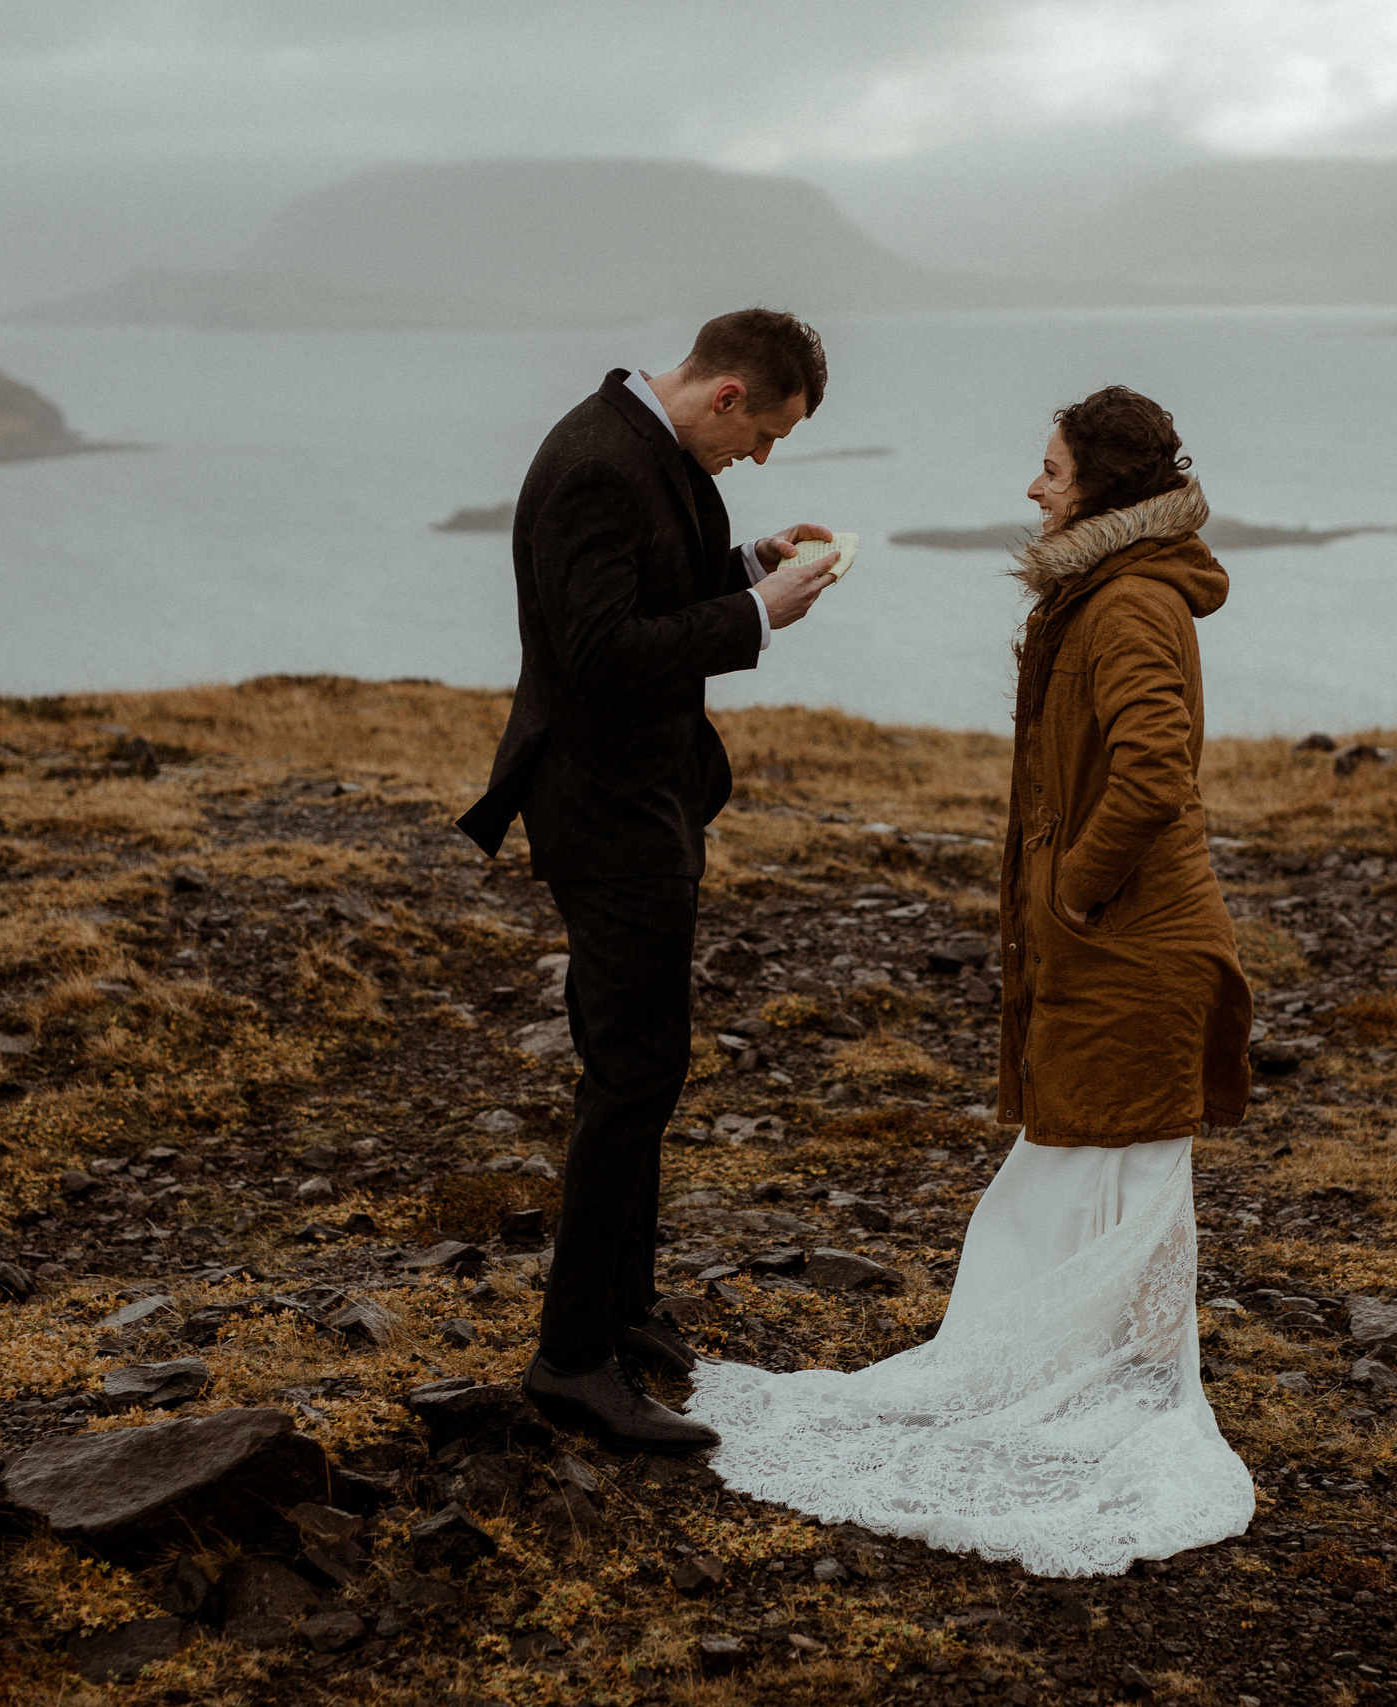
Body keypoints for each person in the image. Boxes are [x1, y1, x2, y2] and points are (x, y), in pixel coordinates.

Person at [689, 386, 1257, 1576]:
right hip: (1115, 941)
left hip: (1134, 943)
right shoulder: (1104, 592)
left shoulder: (1128, 604)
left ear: (1098, 486)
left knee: (1131, 1172)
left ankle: (1137, 1391)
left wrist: (1076, 889)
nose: (1032, 487)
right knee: (1089, 1168)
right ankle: (1109, 1379)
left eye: (1051, 468)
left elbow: (1154, 772)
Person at [456, 308, 842, 1454]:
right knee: (631, 1073)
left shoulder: (649, 449)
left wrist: (745, 568)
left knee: (641, 1065)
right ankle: (572, 1361)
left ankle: (622, 1307)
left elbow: (646, 588)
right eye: (762, 434)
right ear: (725, 395)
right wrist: (754, 618)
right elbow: (599, 652)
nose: (759, 457)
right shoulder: (595, 463)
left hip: (645, 800)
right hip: (601, 809)